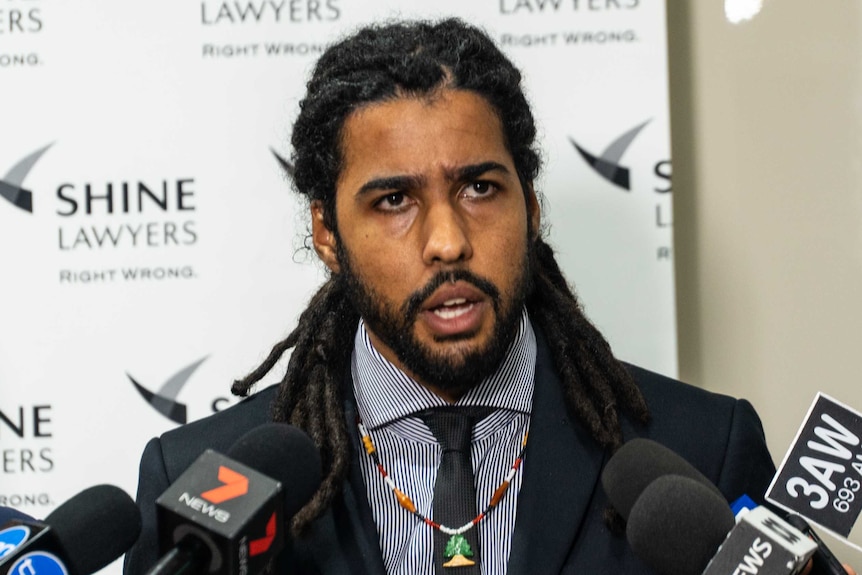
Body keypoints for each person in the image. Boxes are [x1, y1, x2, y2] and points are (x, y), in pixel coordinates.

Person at [124, 18, 779, 574]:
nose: (447, 241)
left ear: (531, 206)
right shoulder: (202, 487)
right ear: (327, 232)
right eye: (394, 200)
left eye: (480, 189)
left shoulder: (702, 450)